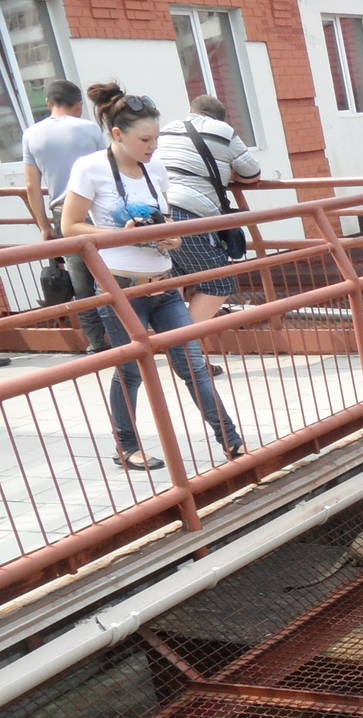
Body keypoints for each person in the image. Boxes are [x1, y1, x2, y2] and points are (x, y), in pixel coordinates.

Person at [60, 83, 245, 472]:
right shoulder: (90, 168)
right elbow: (70, 226)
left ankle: (231, 441)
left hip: (164, 282)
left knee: (192, 364)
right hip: (120, 288)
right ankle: (126, 447)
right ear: (117, 134)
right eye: (145, 139)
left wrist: (171, 237)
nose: (152, 146)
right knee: (130, 371)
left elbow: (165, 222)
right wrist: (120, 235)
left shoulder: (155, 168)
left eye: (156, 138)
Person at [21, 79, 110, 353]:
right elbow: (108, 168)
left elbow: (31, 186)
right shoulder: (89, 128)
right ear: (79, 105)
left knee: (81, 282)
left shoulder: (31, 134)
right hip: (97, 211)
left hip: (63, 214)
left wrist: (43, 225)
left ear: (48, 104)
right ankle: (123, 337)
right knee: (110, 276)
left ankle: (96, 343)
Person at [155, 93, 260, 323]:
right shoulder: (223, 131)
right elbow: (252, 173)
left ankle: (181, 352)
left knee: (174, 279)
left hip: (158, 213)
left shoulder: (167, 129)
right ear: (220, 118)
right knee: (220, 282)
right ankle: (183, 346)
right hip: (191, 213)